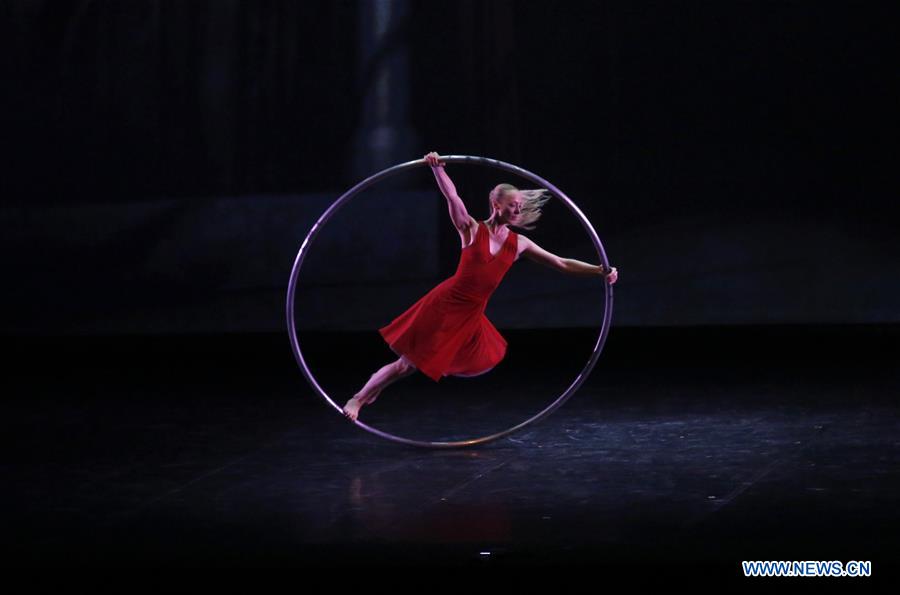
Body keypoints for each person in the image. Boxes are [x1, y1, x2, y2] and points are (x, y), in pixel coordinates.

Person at [342, 151, 618, 421]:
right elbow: (453, 197)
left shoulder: (519, 244)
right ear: (497, 206)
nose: (519, 209)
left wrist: (599, 270)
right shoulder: (472, 230)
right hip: (445, 306)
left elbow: (560, 263)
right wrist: (437, 168)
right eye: (513, 204)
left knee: (434, 364)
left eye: (520, 205)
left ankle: (373, 389)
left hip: (471, 315)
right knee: (407, 364)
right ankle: (359, 396)